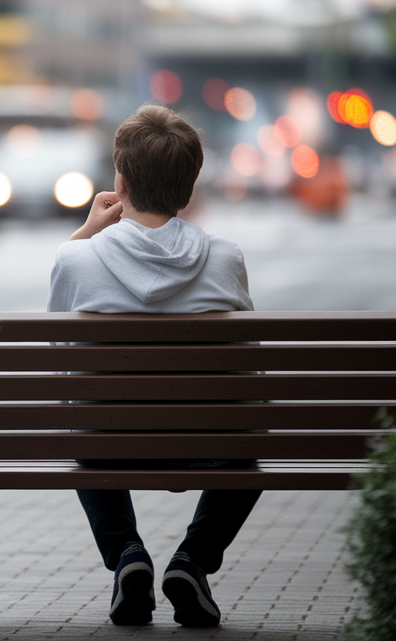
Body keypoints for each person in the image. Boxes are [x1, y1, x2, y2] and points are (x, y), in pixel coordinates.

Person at [47, 104, 258, 628]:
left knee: (86, 432)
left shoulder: (78, 259)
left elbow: (55, 349)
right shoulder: (226, 258)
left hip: (108, 441)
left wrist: (85, 234)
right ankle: (193, 559)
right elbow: (247, 370)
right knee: (250, 453)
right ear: (189, 191)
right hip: (211, 444)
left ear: (119, 179)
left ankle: (127, 556)